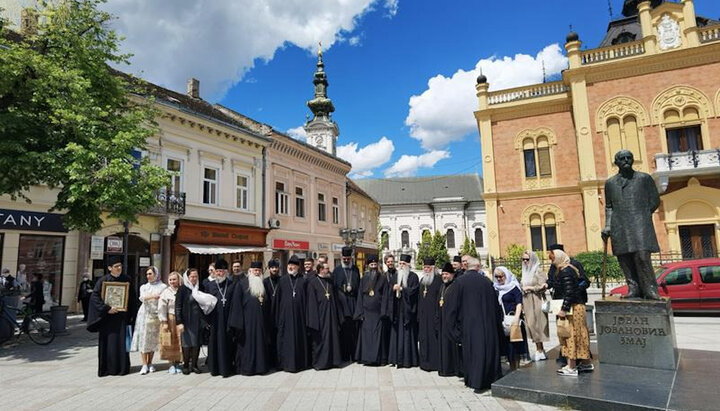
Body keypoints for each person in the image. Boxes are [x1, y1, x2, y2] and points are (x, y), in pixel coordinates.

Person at [603, 149, 661, 300]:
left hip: (640, 223)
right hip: (619, 225)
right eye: (622, 158)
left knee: (642, 256)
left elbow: (654, 200)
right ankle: (633, 289)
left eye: (629, 157)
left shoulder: (644, 179)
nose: (626, 160)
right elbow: (609, 207)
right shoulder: (610, 183)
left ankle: (650, 290)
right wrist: (608, 226)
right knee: (625, 258)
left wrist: (642, 214)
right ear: (616, 163)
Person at [447, 256, 502, 392]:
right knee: (487, 352)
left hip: (469, 326)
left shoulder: (459, 282)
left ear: (467, 267)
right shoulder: (487, 282)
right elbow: (496, 307)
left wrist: (454, 330)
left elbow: (452, 308)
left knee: (473, 354)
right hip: (488, 325)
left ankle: (474, 380)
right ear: (477, 267)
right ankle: (489, 379)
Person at [87, 256, 138, 377]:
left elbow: (132, 299)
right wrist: (107, 309)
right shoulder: (103, 281)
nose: (119, 268)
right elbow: (95, 297)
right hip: (107, 319)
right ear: (110, 268)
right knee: (107, 344)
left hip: (121, 318)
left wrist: (132, 315)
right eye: (116, 266)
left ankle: (122, 368)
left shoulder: (127, 280)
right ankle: (107, 369)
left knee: (121, 343)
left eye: (120, 266)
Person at [546, 243, 589, 366]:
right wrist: (546, 285)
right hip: (560, 302)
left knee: (572, 332)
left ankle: (574, 361)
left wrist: (574, 291)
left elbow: (584, 282)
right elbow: (551, 281)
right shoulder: (555, 267)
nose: (552, 259)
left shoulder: (571, 266)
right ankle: (570, 357)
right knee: (564, 330)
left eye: (553, 255)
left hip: (571, 303)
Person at [228, 261, 272, 376]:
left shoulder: (264, 284)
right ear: (250, 271)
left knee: (261, 345)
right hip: (247, 324)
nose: (257, 272)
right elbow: (236, 305)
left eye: (259, 270)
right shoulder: (242, 284)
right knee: (247, 346)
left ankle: (261, 367)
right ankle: (248, 368)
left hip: (261, 322)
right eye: (255, 270)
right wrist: (238, 325)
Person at [553, 250, 592, 377]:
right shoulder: (571, 268)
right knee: (581, 333)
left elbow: (569, 292)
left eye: (553, 259)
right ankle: (586, 363)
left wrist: (564, 309)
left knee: (569, 335)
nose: (552, 262)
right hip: (578, 305)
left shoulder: (565, 271)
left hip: (572, 308)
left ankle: (571, 366)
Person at [273, 256, 309, 372]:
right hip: (285, 318)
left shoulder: (303, 280)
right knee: (286, 340)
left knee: (299, 339)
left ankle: (300, 363)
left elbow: (307, 300)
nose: (290, 267)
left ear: (298, 267)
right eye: (289, 265)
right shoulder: (283, 280)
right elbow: (277, 301)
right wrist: (278, 318)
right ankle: (285, 364)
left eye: (293, 265)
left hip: (300, 317)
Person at [176, 268, 215, 375]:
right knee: (187, 343)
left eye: (196, 276)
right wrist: (179, 322)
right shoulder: (183, 289)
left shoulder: (199, 288)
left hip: (198, 321)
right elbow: (178, 306)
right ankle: (185, 365)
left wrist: (206, 321)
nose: (194, 279)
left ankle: (194, 365)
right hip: (186, 320)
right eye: (192, 277)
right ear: (187, 277)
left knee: (196, 343)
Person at [353, 254, 390, 366]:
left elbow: (385, 296)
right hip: (366, 313)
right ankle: (367, 359)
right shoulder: (364, 278)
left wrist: (383, 312)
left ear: (377, 265)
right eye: (371, 264)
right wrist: (360, 312)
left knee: (377, 336)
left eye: (375, 264)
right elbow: (360, 295)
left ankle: (379, 359)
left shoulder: (383, 279)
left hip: (378, 313)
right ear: (368, 266)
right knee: (367, 336)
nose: (373, 266)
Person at [306, 262, 344, 370]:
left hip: (331, 316)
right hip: (320, 317)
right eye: (327, 268)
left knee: (333, 338)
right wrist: (313, 321)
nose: (328, 270)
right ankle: (321, 363)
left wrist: (338, 316)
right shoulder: (312, 283)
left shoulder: (330, 282)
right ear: (321, 269)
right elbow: (311, 304)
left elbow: (335, 299)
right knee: (321, 340)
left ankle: (334, 361)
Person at [131, 266, 167, 374]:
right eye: (147, 274)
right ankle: (144, 364)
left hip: (156, 314)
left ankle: (150, 362)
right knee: (144, 338)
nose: (148, 276)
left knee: (152, 339)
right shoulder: (144, 287)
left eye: (150, 274)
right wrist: (152, 296)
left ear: (156, 274)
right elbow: (142, 298)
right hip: (145, 314)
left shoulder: (163, 286)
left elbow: (164, 298)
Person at [493, 266, 529, 371]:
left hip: (513, 319)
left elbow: (519, 303)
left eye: (501, 276)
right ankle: (511, 366)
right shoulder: (495, 288)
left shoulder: (513, 287)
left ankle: (516, 367)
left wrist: (516, 318)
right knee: (506, 345)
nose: (499, 279)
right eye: (496, 277)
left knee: (515, 345)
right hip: (501, 320)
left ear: (506, 275)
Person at [387, 253, 419, 368]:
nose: (401, 266)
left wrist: (402, 289)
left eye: (403, 264)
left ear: (408, 265)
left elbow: (414, 292)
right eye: (400, 263)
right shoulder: (396, 276)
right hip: (397, 311)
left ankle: (407, 360)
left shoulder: (413, 277)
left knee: (407, 335)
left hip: (407, 311)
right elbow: (389, 293)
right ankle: (395, 359)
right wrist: (392, 289)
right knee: (396, 335)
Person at [205, 259, 235, 377]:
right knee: (214, 343)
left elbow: (235, 304)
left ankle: (227, 368)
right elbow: (205, 305)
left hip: (228, 320)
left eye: (221, 271)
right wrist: (206, 321)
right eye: (217, 271)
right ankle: (215, 368)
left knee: (227, 344)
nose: (219, 273)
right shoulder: (210, 285)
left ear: (226, 272)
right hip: (215, 320)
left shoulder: (232, 284)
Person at [521, 250, 549, 362]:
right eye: (523, 259)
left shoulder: (538, 270)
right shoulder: (525, 271)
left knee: (537, 325)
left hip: (536, 300)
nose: (524, 261)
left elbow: (543, 286)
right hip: (527, 301)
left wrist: (530, 288)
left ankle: (540, 350)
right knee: (530, 325)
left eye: (527, 259)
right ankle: (539, 349)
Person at [333, 246, 360, 361]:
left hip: (353, 302)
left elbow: (358, 286)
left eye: (348, 258)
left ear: (351, 258)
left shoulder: (355, 269)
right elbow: (335, 288)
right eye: (344, 258)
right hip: (342, 304)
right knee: (343, 330)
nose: (346, 260)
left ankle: (354, 355)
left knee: (354, 330)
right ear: (341, 257)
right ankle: (344, 355)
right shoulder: (337, 270)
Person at [438, 263, 462, 377]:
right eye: (443, 274)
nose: (444, 276)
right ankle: (444, 369)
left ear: (452, 274)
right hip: (443, 321)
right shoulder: (442, 286)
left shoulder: (455, 286)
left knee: (452, 346)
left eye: (446, 274)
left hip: (452, 322)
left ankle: (453, 369)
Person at [417, 257, 442, 371]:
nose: (426, 269)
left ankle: (434, 363)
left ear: (433, 268)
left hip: (433, 316)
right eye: (425, 267)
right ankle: (424, 362)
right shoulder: (422, 281)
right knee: (423, 339)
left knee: (433, 339)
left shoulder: (438, 280)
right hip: (423, 316)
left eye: (428, 267)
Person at [158, 271, 183, 374]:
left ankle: (178, 362)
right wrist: (164, 321)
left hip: (180, 319)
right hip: (170, 318)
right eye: (170, 280)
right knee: (169, 341)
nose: (172, 281)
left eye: (174, 279)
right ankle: (171, 364)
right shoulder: (166, 292)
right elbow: (162, 307)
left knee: (179, 340)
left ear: (178, 280)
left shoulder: (182, 290)